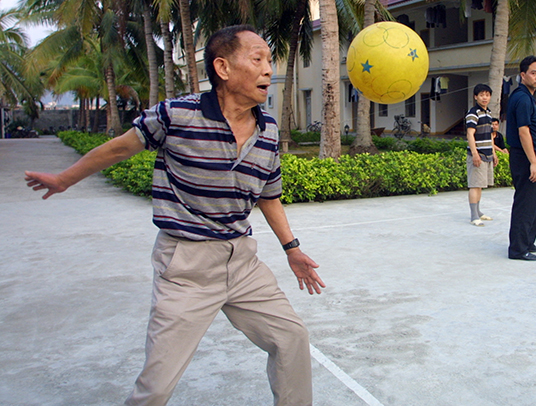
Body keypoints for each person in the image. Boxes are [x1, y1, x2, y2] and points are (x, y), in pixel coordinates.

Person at [24, 25, 324, 406]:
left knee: (292, 338)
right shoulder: (178, 115)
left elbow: (269, 196)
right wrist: (64, 180)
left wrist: (292, 249)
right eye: (257, 59)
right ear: (223, 68)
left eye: (269, 59)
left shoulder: (268, 130)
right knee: (157, 386)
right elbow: (119, 149)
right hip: (186, 268)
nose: (268, 68)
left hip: (242, 263)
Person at [505, 56, 536, 261]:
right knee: (525, 203)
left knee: (533, 203)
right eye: (533, 73)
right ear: (523, 75)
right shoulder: (521, 98)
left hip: (530, 155)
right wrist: (533, 163)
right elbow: (523, 132)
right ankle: (518, 250)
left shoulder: (526, 97)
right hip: (525, 156)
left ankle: (528, 241)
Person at [465, 84, 498, 226]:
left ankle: (478, 212)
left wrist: (494, 153)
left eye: (487, 95)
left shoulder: (488, 113)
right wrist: (475, 154)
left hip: (487, 154)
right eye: (481, 95)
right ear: (475, 97)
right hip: (477, 155)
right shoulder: (473, 113)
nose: (485, 98)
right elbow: (470, 134)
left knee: (480, 185)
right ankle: (474, 216)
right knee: (474, 185)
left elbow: (490, 135)